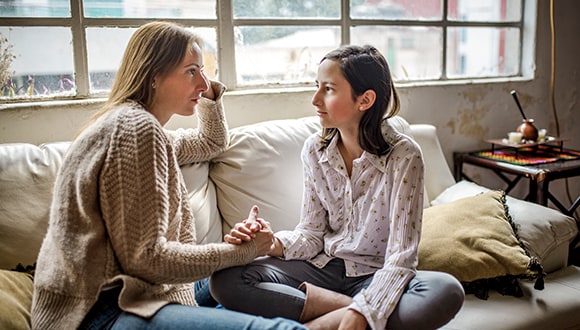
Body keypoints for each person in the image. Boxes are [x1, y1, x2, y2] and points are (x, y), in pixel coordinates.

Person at [30, 21, 306, 330]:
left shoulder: (141, 129)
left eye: (203, 71)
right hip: (104, 311)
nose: (203, 83)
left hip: (147, 294)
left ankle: (341, 311)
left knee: (247, 274)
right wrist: (242, 250)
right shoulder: (135, 131)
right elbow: (147, 259)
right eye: (191, 71)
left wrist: (206, 88)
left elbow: (211, 143)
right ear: (154, 77)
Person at [210, 45, 465, 330]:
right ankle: (360, 314)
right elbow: (312, 234)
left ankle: (320, 323)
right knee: (225, 280)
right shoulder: (314, 151)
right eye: (316, 87)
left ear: (365, 99)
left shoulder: (404, 155)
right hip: (323, 268)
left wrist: (372, 298)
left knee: (446, 289)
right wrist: (272, 244)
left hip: (377, 276)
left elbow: (401, 257)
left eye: (328, 89)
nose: (315, 99)